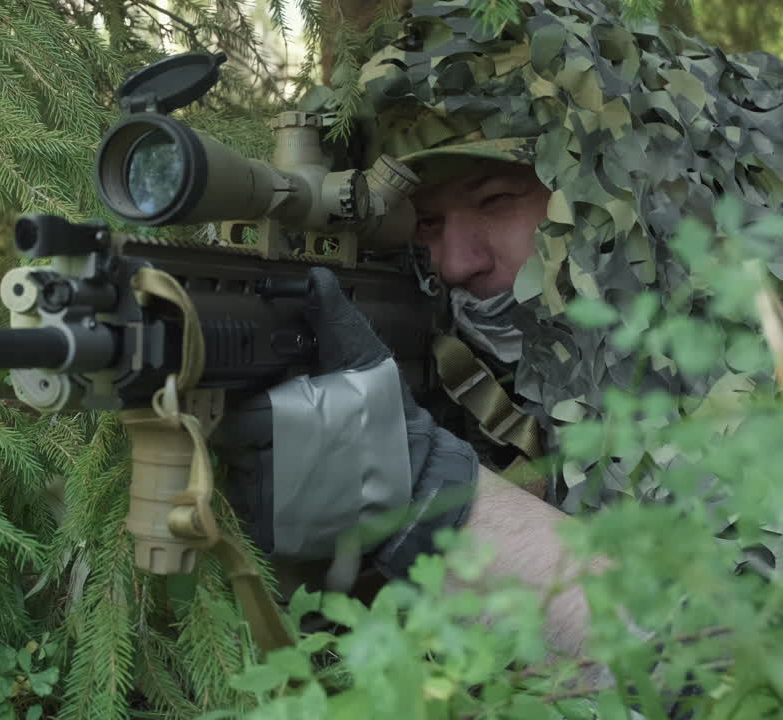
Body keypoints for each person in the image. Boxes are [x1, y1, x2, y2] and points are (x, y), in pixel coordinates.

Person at [213, 0, 783, 675]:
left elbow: (731, 666)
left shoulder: (747, 320)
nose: (456, 263)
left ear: (601, 182)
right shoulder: (460, 336)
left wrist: (428, 494)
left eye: (494, 202)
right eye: (427, 225)